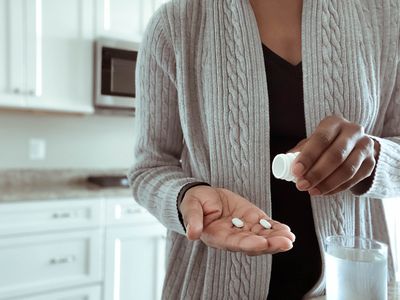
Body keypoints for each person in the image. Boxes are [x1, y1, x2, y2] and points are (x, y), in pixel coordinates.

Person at [128, 0, 400, 299]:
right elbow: (149, 167)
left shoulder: (387, 17)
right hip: (213, 287)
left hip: (354, 285)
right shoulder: (175, 23)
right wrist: (186, 196)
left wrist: (374, 159)